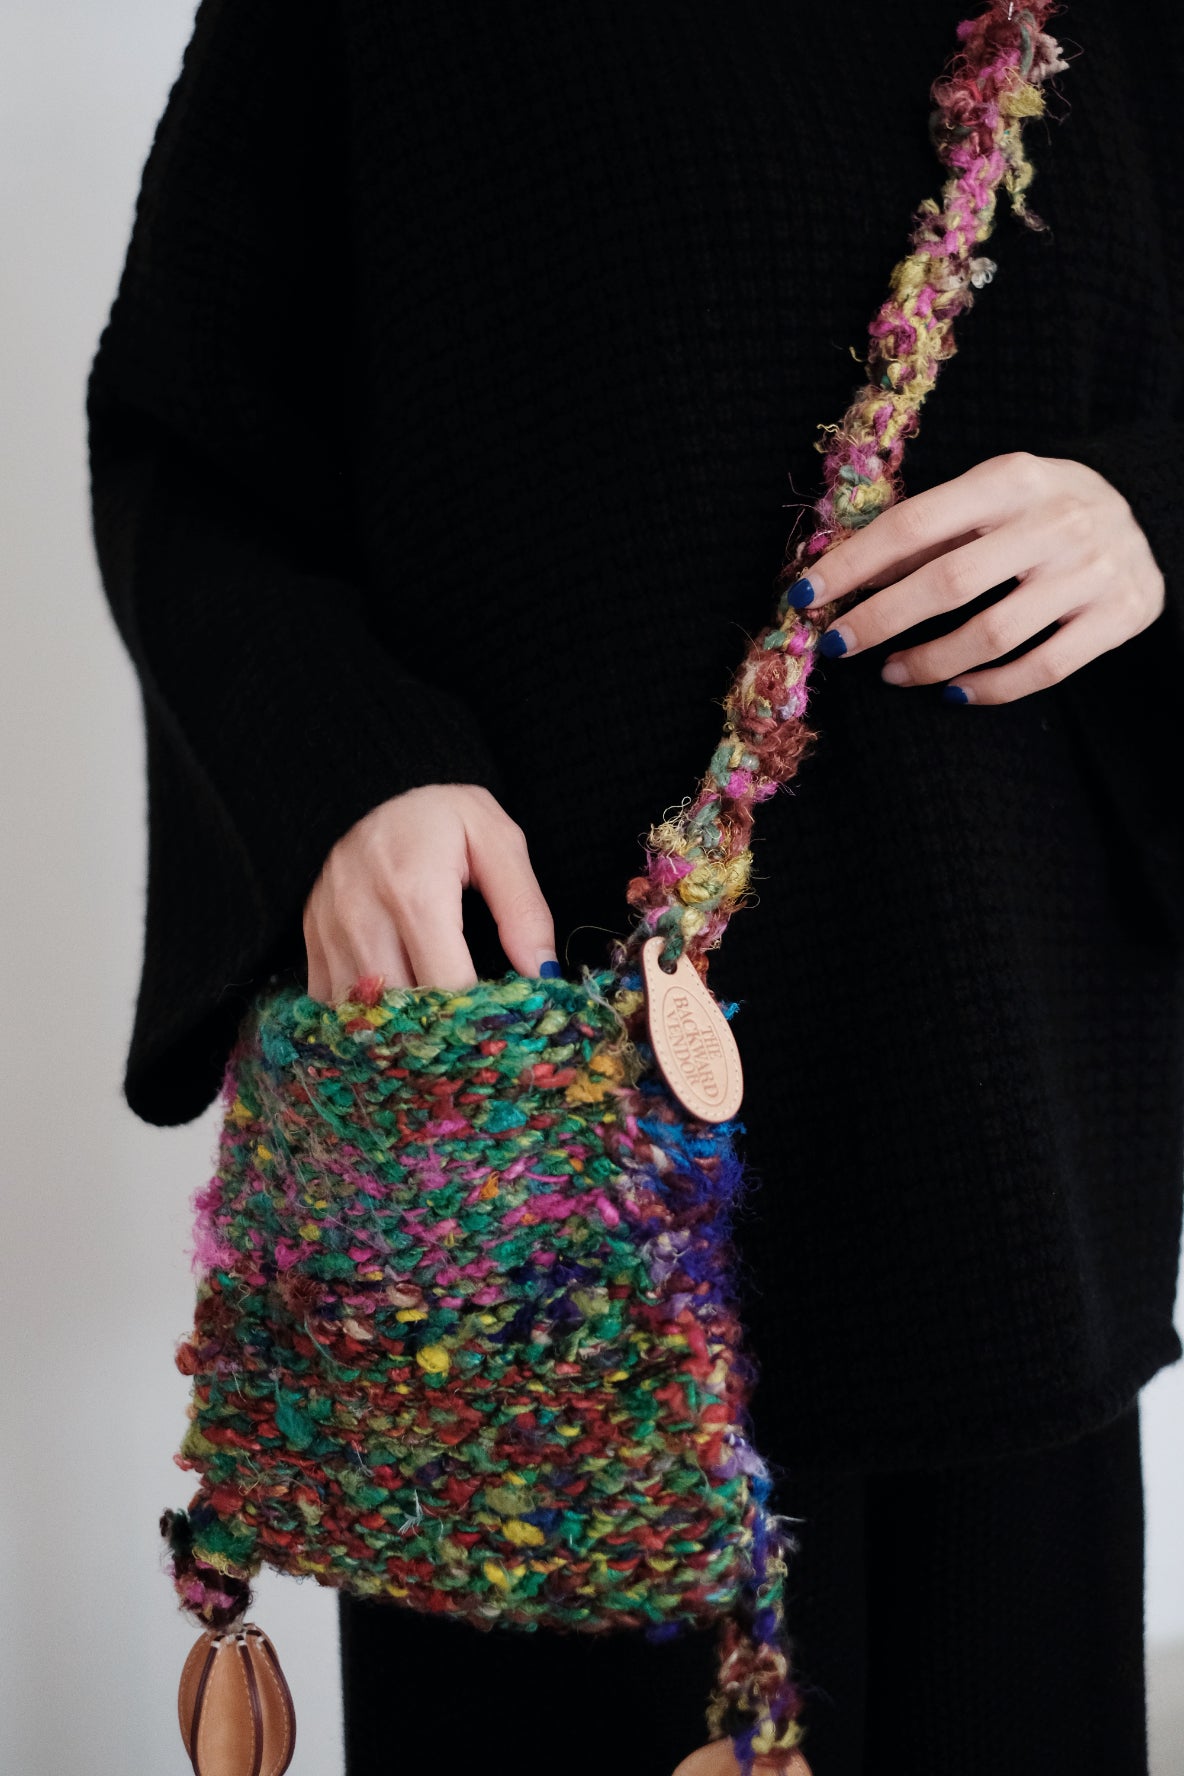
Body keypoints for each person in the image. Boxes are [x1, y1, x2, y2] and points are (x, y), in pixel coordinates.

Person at [87, 2, 1183, 1772]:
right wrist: (342, 776)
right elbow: (188, 446)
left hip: (1008, 1145)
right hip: (517, 1166)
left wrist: (1147, 514)